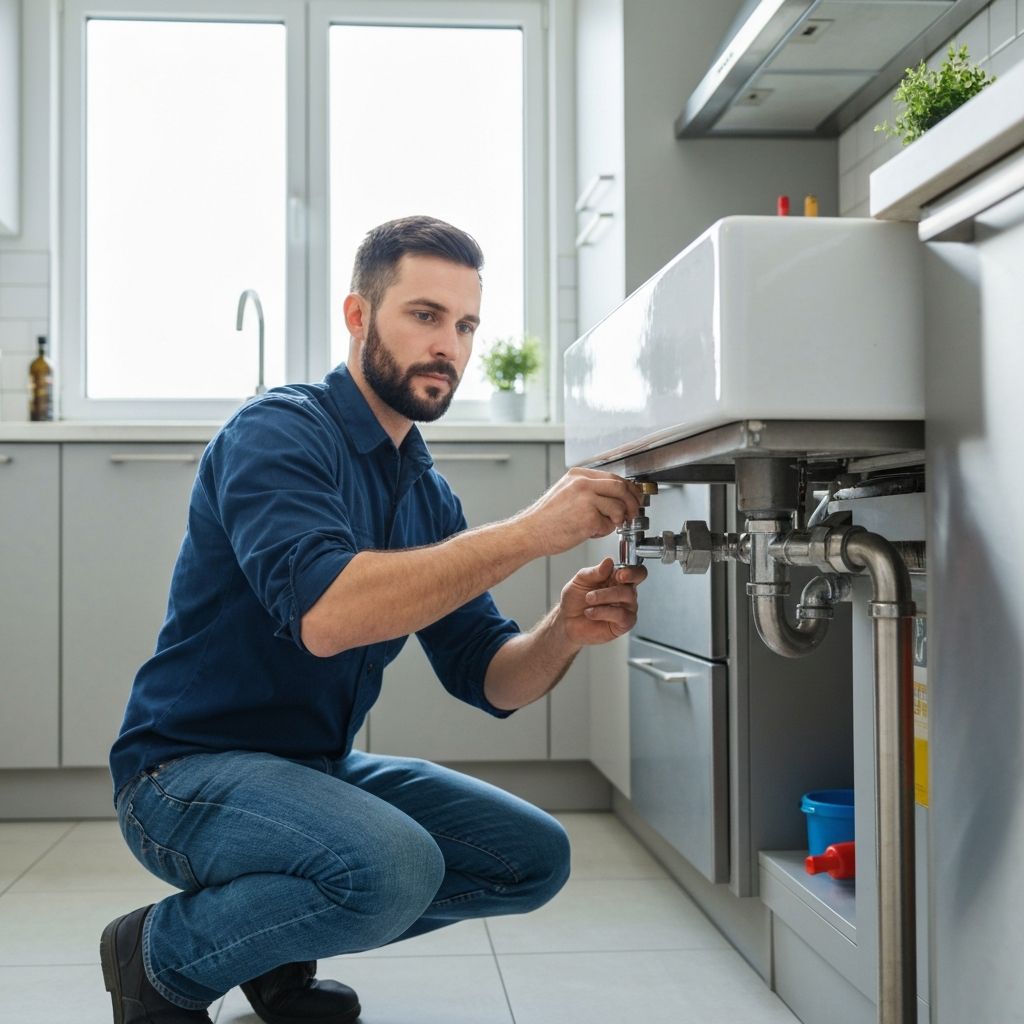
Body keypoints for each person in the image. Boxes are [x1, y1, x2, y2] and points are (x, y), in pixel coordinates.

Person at [99, 215, 647, 1024]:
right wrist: (535, 529)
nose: (448, 346)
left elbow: (489, 675)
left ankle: (269, 952)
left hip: (311, 770)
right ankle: (161, 957)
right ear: (359, 317)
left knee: (532, 858)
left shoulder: (423, 492)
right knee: (392, 867)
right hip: (181, 775)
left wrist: (563, 630)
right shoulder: (279, 433)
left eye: (465, 326)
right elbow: (327, 616)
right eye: (424, 315)